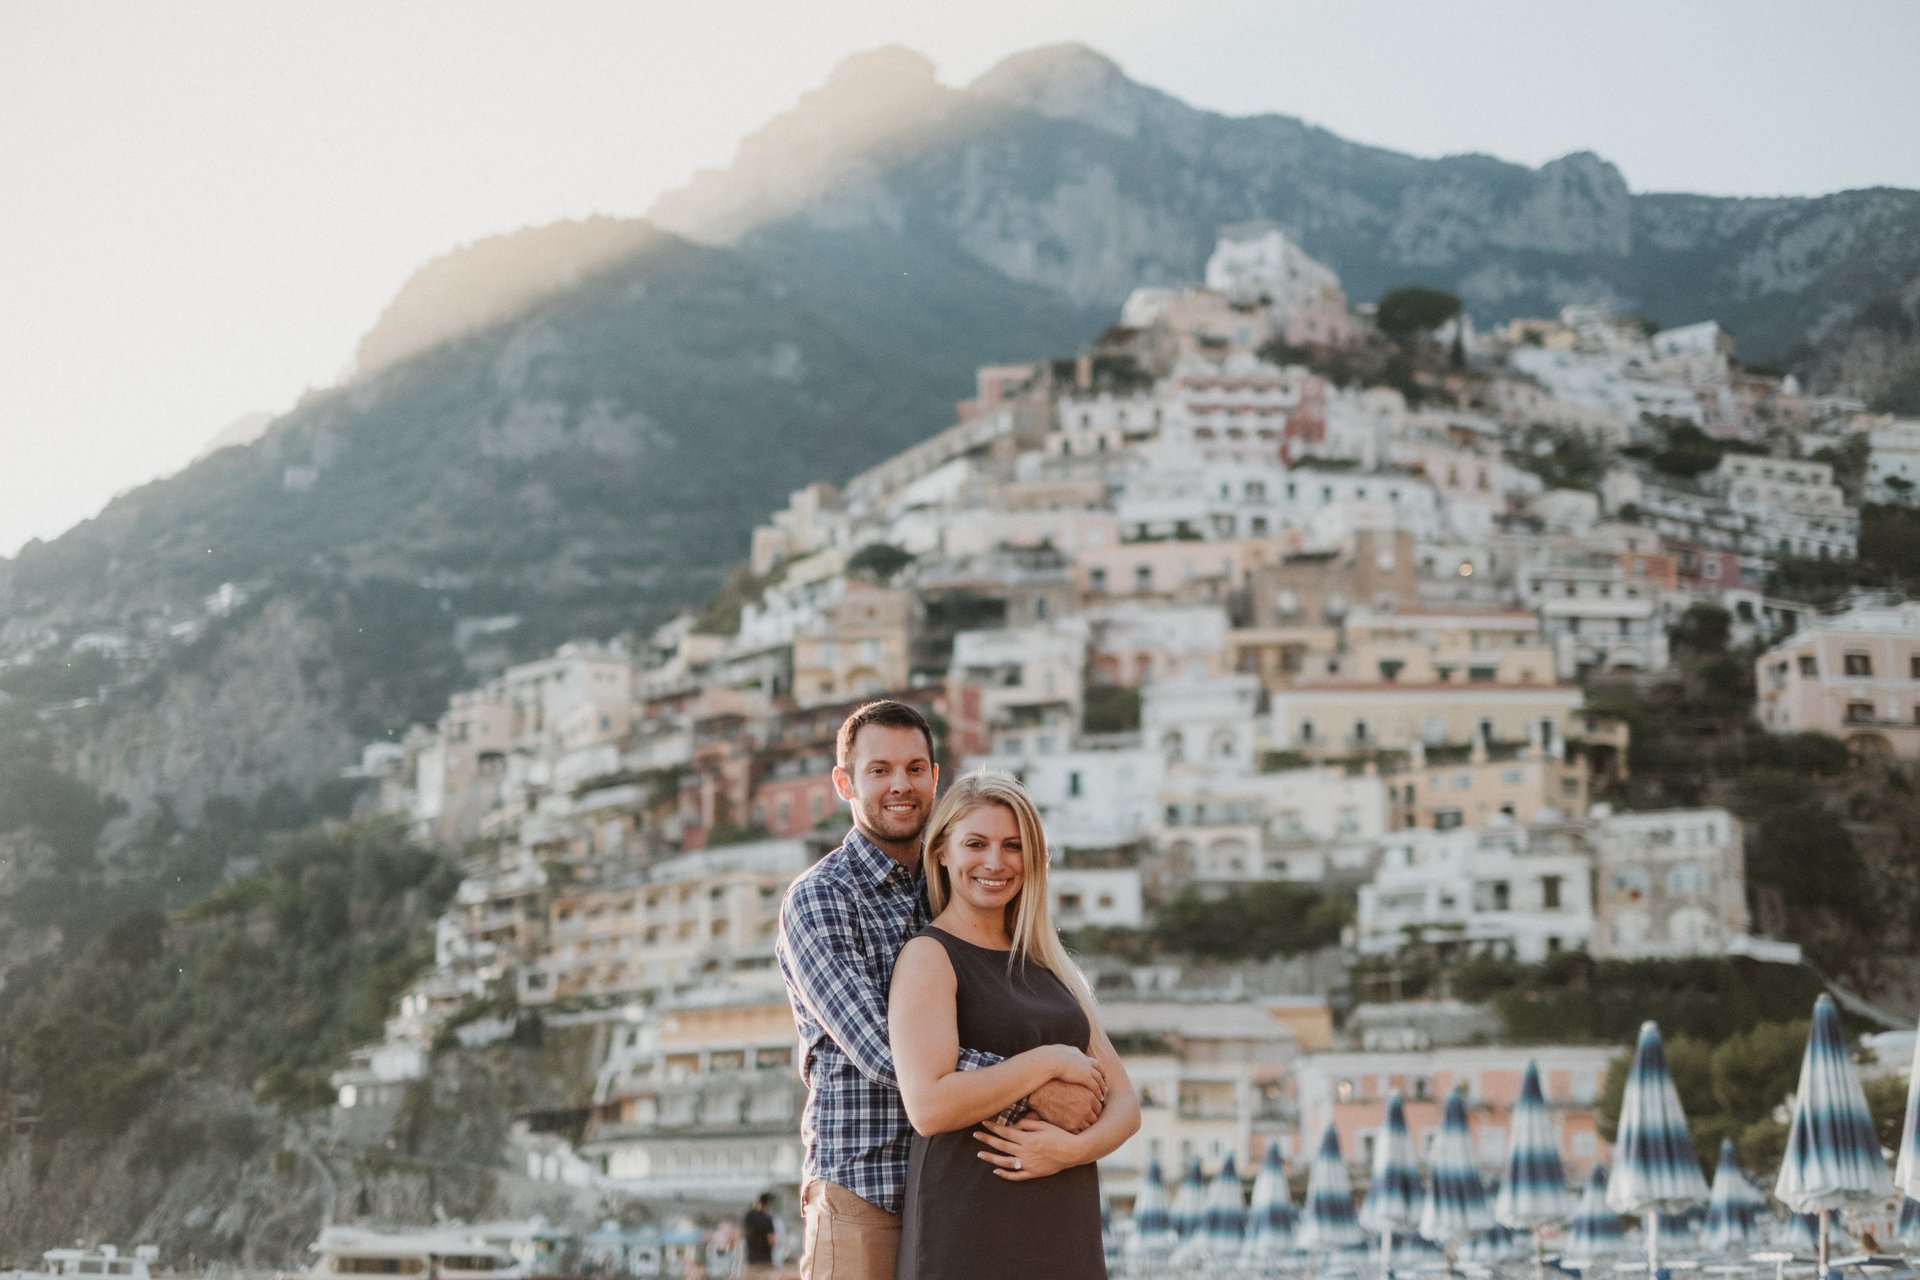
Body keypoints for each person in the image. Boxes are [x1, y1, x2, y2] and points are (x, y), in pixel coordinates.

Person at [776, 701, 1104, 1280]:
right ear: (844, 782)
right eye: (879, 770)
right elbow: (885, 1054)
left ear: (935, 776)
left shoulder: (958, 880)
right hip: (865, 1193)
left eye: (915, 768)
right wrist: (1041, 1082)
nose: (900, 785)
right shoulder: (820, 899)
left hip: (963, 1189)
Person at [889, 771, 1141, 1280]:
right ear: (941, 852)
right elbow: (929, 1105)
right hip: (967, 1223)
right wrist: (1046, 1061)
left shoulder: (1049, 965)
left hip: (1063, 1220)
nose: (995, 863)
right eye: (975, 844)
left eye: (1013, 846)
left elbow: (1126, 1105)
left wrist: (1069, 1151)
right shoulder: (929, 956)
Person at [741, 1193, 778, 1276]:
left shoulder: (748, 1217)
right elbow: (772, 1241)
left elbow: (743, 1234)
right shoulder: (767, 1219)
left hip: (751, 1261)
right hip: (765, 1261)